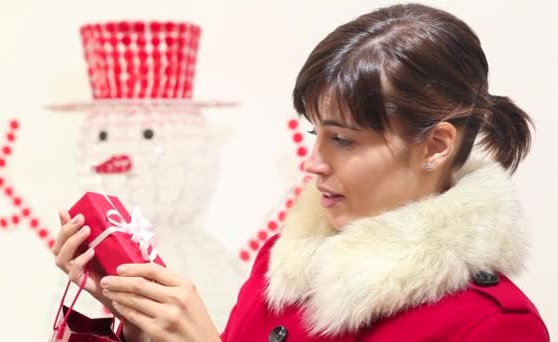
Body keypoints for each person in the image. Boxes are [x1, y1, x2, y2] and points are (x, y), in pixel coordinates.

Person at [53, 3, 549, 341]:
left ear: (436, 146)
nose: (314, 161)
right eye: (316, 133)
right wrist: (144, 323)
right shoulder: (280, 266)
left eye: (343, 139)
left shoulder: (494, 324)